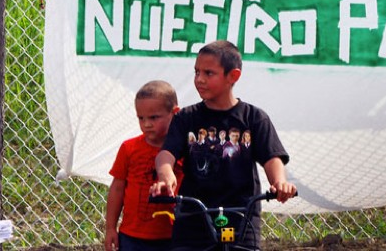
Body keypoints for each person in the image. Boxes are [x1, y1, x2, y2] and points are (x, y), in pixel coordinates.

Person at [151, 40, 297, 250]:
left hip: (241, 219)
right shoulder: (186, 117)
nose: (199, 79)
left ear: (233, 76)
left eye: (208, 73)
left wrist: (279, 182)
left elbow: (271, 157)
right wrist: (166, 175)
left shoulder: (254, 118)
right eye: (196, 72)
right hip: (194, 220)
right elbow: (166, 154)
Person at [105, 80, 183, 251]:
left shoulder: (184, 151)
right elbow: (117, 188)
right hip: (132, 237)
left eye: (154, 117)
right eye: (141, 118)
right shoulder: (129, 148)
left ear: (174, 113)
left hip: (174, 235)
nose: (146, 124)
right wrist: (110, 228)